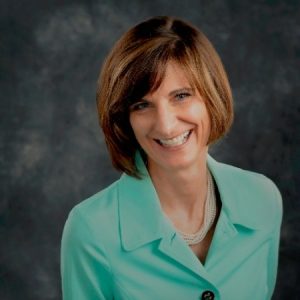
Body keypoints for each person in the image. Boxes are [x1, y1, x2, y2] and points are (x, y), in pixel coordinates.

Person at [61, 16, 282, 300]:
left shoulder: (263, 199)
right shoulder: (91, 230)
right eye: (142, 105)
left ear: (212, 96)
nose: (165, 125)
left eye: (181, 95)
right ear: (124, 119)